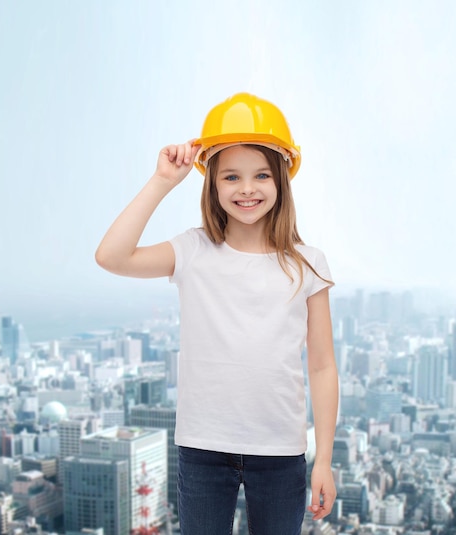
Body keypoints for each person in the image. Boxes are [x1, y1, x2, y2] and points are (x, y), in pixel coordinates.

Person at [95, 92, 339, 534]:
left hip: (281, 450)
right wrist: (162, 181)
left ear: (282, 180)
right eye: (231, 176)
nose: (247, 189)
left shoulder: (308, 262)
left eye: (262, 175)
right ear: (212, 184)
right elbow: (112, 256)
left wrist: (323, 458)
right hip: (204, 448)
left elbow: (322, 366)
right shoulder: (193, 249)